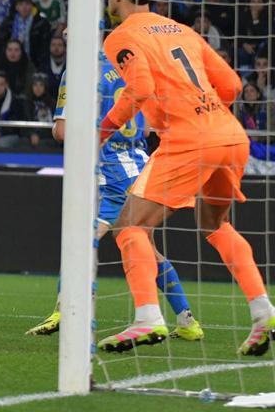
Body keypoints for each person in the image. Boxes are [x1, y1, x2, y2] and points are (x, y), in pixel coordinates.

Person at [96, 0, 273, 355]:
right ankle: (263, 311)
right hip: (229, 135)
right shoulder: (182, 30)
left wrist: (101, 131)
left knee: (129, 227)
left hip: (189, 139)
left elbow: (140, 88)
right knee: (215, 224)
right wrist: (205, 115)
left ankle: (147, 318)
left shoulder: (120, 37)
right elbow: (232, 85)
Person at [25, 51, 202, 341]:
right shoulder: (135, 68)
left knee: (80, 244)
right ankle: (187, 320)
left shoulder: (80, 68)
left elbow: (61, 132)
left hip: (111, 175)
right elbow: (148, 127)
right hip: (142, 168)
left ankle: (64, 312)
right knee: (148, 248)